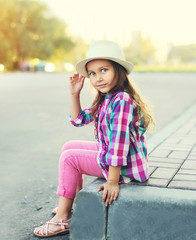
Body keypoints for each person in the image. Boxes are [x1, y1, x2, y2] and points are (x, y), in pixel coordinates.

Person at [34, 40, 155, 237]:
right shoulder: (107, 98)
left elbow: (119, 144)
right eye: (92, 73)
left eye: (104, 70)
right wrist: (75, 94)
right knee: (69, 146)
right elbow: (78, 120)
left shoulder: (122, 100)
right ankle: (73, 201)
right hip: (121, 160)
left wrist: (113, 181)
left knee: (69, 158)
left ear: (118, 70)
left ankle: (63, 217)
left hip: (127, 167)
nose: (98, 78)